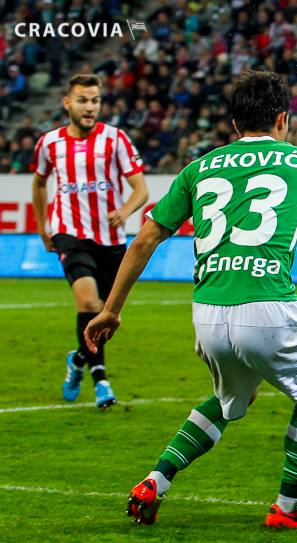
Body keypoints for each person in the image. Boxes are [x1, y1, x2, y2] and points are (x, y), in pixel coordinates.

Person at [83, 71, 297, 528]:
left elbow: (145, 238)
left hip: (207, 312)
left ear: (234, 123)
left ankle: (155, 480)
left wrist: (111, 310)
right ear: (283, 118)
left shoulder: (198, 168)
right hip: (267, 305)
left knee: (227, 400)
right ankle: (287, 507)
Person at [30, 74, 149, 410]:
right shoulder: (49, 143)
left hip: (110, 239)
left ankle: (78, 361)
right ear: (67, 102)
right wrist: (43, 226)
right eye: (82, 99)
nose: (90, 107)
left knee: (106, 316)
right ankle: (101, 380)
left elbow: (141, 189)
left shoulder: (116, 140)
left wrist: (125, 210)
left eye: (95, 100)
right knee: (87, 304)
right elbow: (39, 184)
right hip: (69, 233)